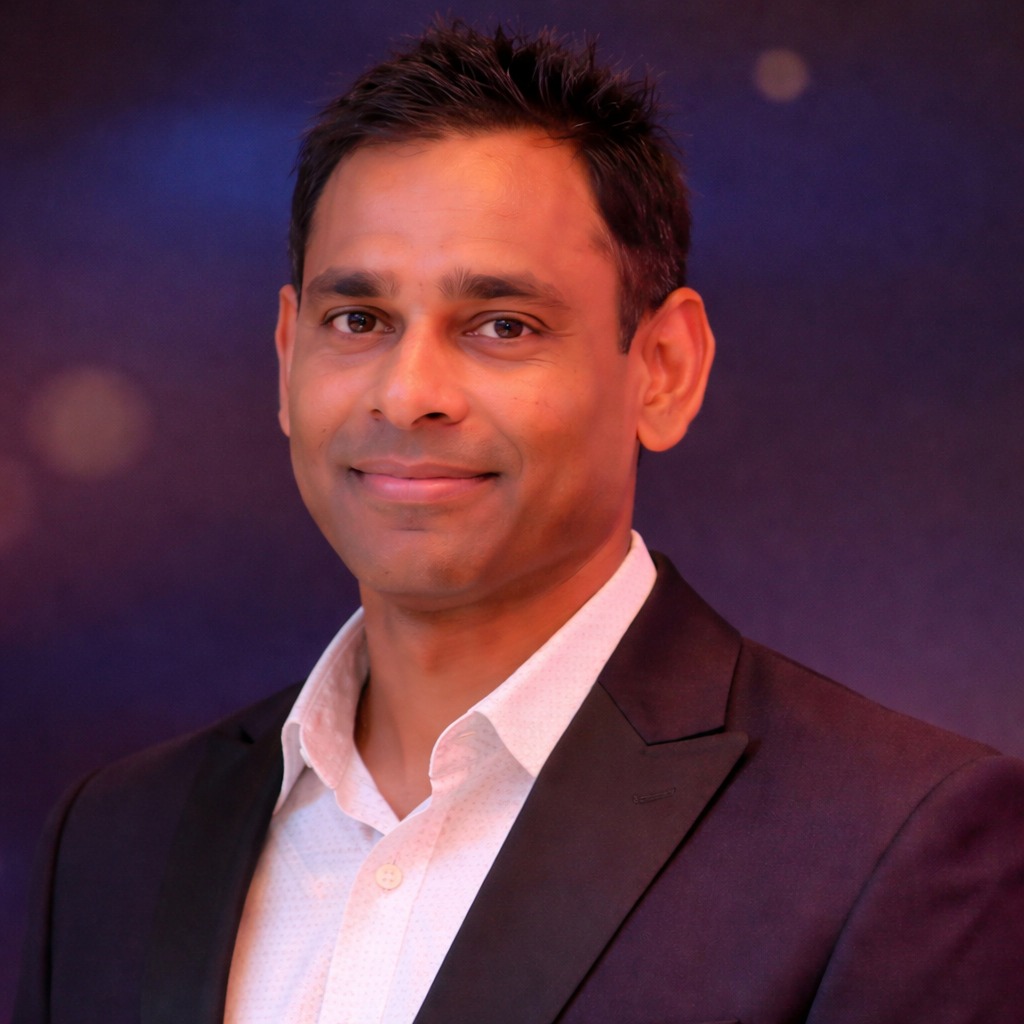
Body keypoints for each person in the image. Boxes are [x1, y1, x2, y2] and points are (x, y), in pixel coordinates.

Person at [14, 21, 1024, 1024]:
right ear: (287, 358)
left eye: (503, 325)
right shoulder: (115, 841)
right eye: (358, 321)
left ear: (664, 370)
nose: (407, 394)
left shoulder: (893, 845)